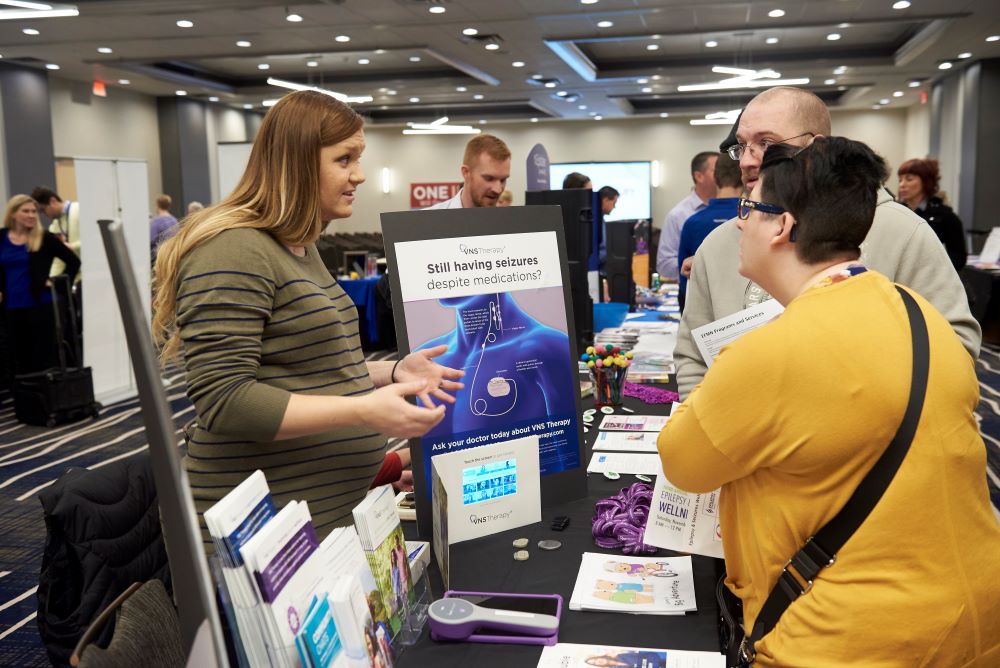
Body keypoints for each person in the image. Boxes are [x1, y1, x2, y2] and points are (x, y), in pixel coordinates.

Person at [659, 137, 1000, 665]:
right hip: (972, 615)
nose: (739, 224)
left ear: (783, 226)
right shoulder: (915, 310)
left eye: (749, 208)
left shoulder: (769, 352)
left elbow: (682, 462)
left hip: (847, 637)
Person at [151, 90, 465, 548]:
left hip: (321, 513)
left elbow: (306, 370)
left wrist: (391, 371)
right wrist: (364, 409)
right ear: (295, 162)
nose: (359, 174)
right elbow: (225, 399)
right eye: (344, 159)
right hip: (263, 533)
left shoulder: (299, 244)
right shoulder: (235, 248)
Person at [675, 86, 980, 399]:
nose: (747, 161)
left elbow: (956, 348)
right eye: (742, 146)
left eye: (766, 143)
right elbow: (692, 357)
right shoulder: (718, 245)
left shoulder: (903, 232)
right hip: (741, 437)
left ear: (815, 147)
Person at [0, 194, 80, 375]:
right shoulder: (1, 238)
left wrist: (55, 283)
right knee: (17, 357)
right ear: (13, 213)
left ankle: (49, 399)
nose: (31, 215)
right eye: (25, 211)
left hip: (41, 305)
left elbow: (73, 261)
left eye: (34, 211)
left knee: (42, 358)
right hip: (11, 307)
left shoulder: (45, 238)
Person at [677, 154, 741, 301]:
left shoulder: (692, 223)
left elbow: (684, 285)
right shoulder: (754, 219)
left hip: (705, 312)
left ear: (715, 179)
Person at [655, 152, 718, 280]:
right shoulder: (678, 215)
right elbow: (664, 264)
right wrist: (700, 267)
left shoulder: (733, 210)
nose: (723, 175)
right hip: (691, 292)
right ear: (699, 176)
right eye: (716, 170)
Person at [897, 158, 967, 271]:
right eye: (900, 180)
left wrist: (936, 272)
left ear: (925, 181)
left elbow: (958, 257)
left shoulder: (945, 216)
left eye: (909, 179)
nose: (902, 185)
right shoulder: (897, 212)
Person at [427, 134, 511, 209]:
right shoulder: (427, 221)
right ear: (466, 172)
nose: (498, 189)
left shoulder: (513, 224)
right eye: (489, 178)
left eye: (503, 180)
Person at [31, 186, 80, 281]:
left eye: (43, 210)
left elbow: (97, 240)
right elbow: (57, 260)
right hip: (75, 280)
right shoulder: (54, 227)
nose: (43, 215)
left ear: (53, 201)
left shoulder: (79, 210)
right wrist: (51, 280)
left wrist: (73, 246)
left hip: (92, 273)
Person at [150, 194, 179, 260]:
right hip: (172, 254)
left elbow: (152, 239)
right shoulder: (174, 220)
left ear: (157, 205)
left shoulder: (156, 221)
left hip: (159, 256)